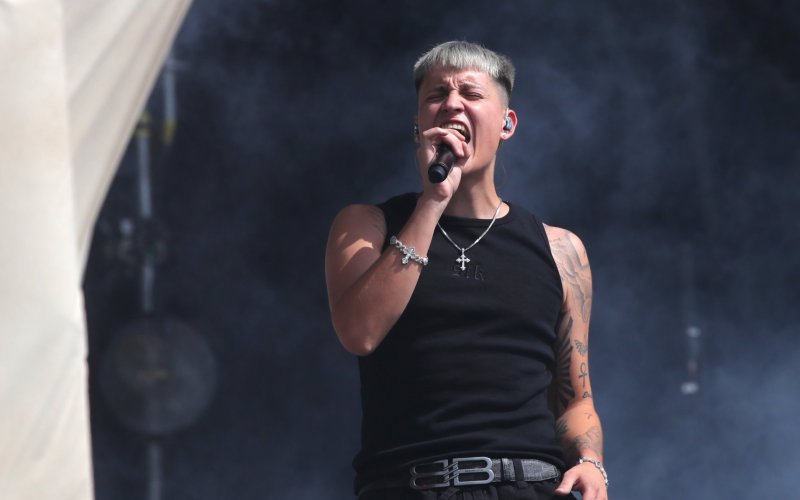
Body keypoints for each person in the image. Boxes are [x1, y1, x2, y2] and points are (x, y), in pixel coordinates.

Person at [325, 41, 609, 500]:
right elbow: (360, 333)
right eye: (436, 94)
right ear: (418, 126)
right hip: (411, 486)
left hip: (530, 486)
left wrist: (590, 462)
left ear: (507, 124)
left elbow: (576, 399)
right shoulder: (368, 225)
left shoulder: (561, 249)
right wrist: (432, 202)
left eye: (471, 94)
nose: (452, 103)